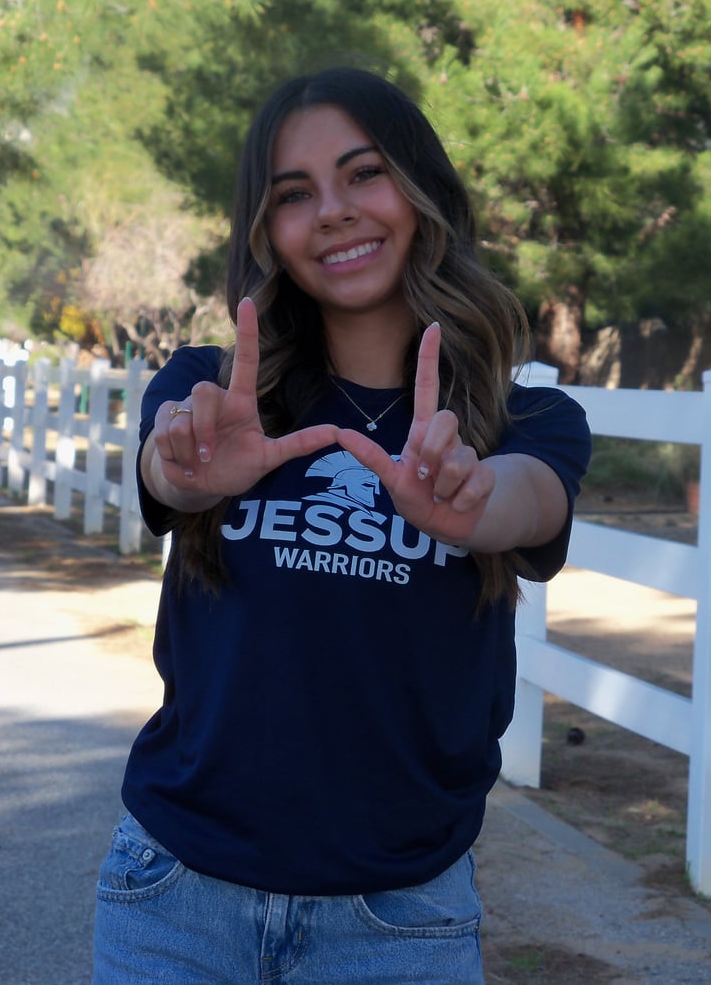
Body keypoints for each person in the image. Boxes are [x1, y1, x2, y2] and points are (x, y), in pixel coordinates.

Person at [93, 66, 591, 984]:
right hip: (173, 895)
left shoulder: (525, 423)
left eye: (364, 174)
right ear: (267, 230)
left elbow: (533, 499)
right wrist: (184, 461)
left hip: (399, 917)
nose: (332, 210)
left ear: (422, 190)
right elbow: (169, 474)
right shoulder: (211, 390)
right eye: (294, 193)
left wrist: (475, 497)